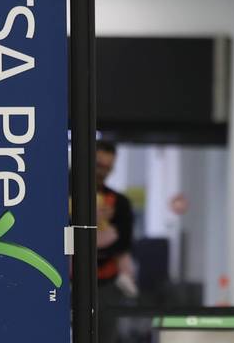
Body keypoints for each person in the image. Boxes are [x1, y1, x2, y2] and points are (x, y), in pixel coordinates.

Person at [94, 140, 134, 342]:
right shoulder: (58, 195)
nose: (103, 172)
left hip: (106, 283)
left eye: (108, 168)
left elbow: (124, 242)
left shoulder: (119, 203)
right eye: (99, 165)